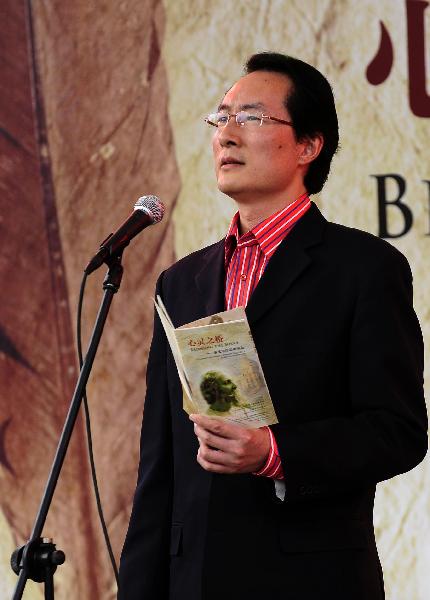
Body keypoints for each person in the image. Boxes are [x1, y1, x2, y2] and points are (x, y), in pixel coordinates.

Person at [117, 52, 427, 600]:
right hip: (193, 579)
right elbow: (158, 469)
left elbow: (397, 432)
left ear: (309, 146)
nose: (227, 134)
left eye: (252, 118)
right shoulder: (181, 282)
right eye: (220, 118)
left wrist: (274, 453)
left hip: (308, 579)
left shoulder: (364, 269)